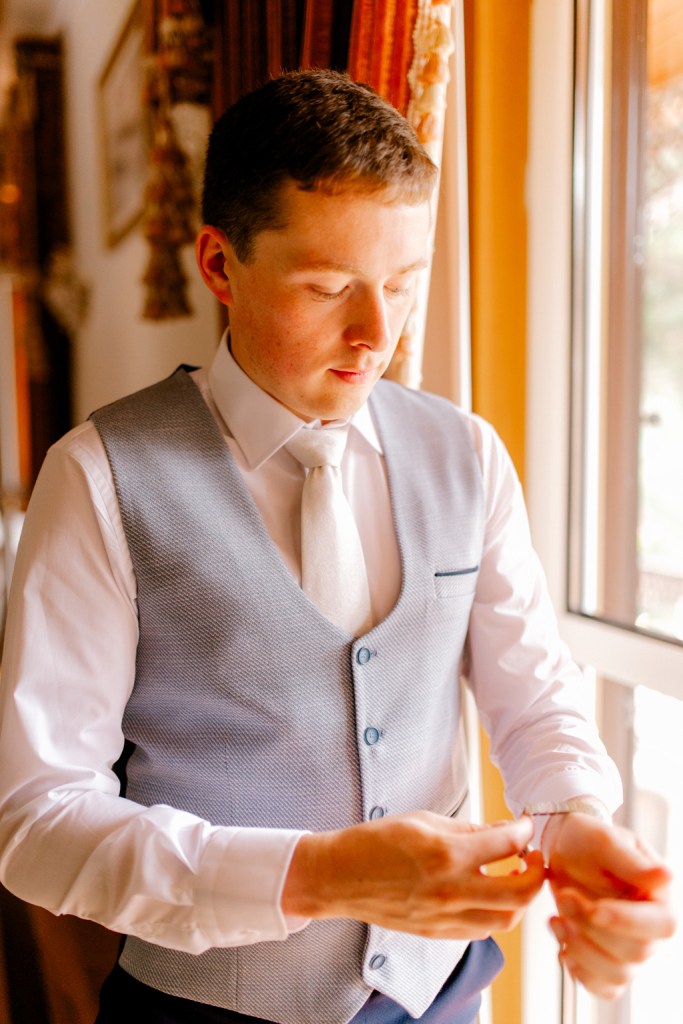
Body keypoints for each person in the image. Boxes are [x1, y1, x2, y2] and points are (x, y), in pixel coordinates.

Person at [0, 69, 674, 1024]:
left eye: (404, 283)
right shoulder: (98, 478)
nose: (377, 333)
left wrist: (577, 827)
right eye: (328, 288)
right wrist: (313, 875)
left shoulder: (466, 454)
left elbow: (537, 702)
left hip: (442, 995)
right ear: (218, 265)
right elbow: (39, 825)